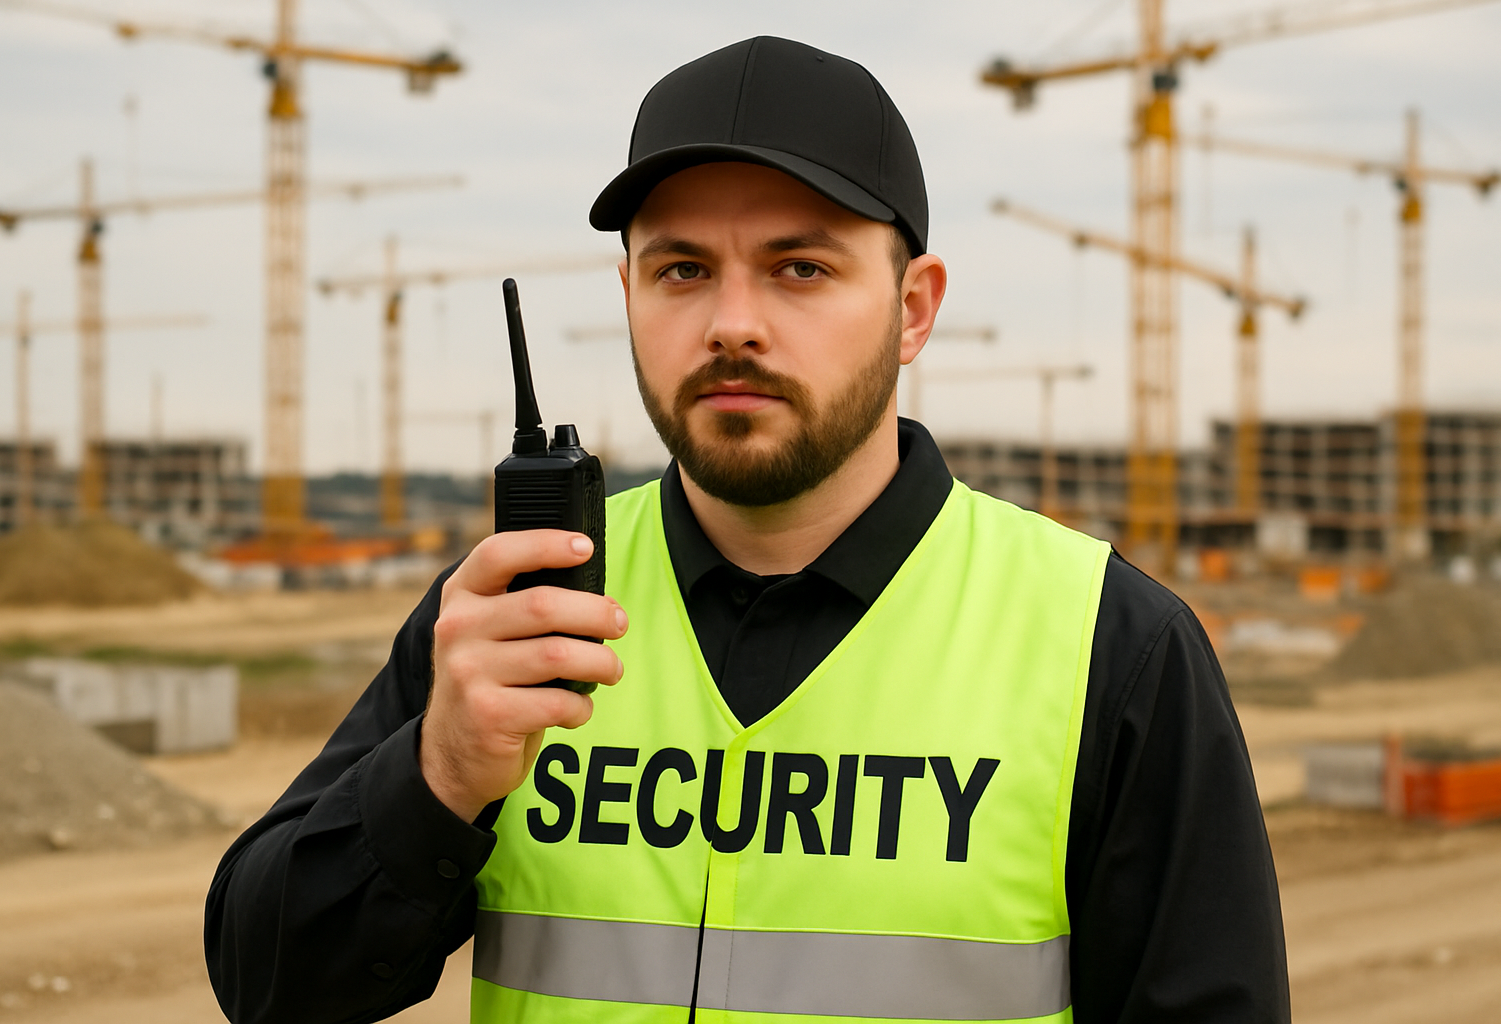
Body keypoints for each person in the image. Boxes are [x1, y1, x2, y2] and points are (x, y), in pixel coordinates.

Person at [206, 36, 1289, 1024]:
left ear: (914, 307)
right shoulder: (514, 607)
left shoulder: (1111, 645)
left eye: (799, 268)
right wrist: (437, 774)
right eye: (682, 269)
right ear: (627, 290)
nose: (732, 323)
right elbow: (266, 986)